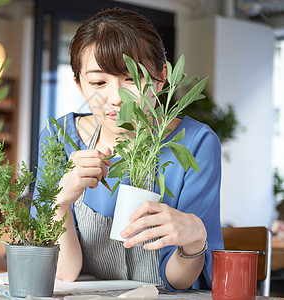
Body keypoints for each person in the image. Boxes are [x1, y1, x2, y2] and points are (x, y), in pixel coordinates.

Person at [32, 8, 223, 291]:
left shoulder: (196, 143)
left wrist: (194, 241)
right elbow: (64, 272)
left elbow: (180, 281)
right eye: (98, 82)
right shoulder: (59, 137)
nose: (116, 98)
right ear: (79, 86)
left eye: (132, 79)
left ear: (162, 77)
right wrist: (59, 202)